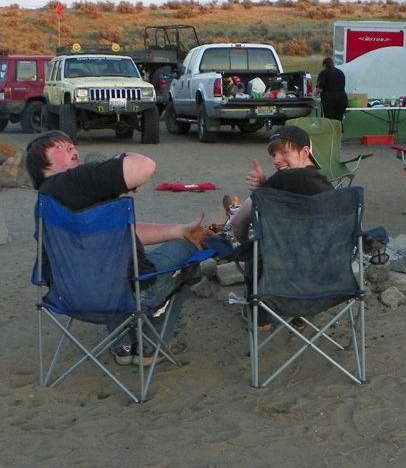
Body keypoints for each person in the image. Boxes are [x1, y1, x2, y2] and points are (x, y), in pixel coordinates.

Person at [25, 130, 214, 365]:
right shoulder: (78, 179)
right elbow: (143, 165)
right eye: (59, 148)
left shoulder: (46, 203)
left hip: (70, 298)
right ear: (43, 165)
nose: (72, 149)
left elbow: (119, 233)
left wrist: (180, 230)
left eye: (71, 145)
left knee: (104, 271)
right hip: (129, 295)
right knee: (188, 255)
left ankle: (123, 344)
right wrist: (117, 161)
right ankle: (150, 345)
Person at [231, 126, 333, 244]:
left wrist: (247, 247)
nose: (276, 160)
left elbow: (237, 222)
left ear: (304, 152)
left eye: (284, 152)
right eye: (274, 155)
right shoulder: (326, 186)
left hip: (286, 258)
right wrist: (264, 187)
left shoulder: (282, 178)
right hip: (325, 257)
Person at [315, 57, 348, 122]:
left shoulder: (323, 73)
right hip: (342, 98)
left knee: (329, 121)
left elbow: (319, 89)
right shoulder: (340, 72)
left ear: (324, 65)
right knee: (338, 120)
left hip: (330, 100)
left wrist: (313, 95)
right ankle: (339, 131)